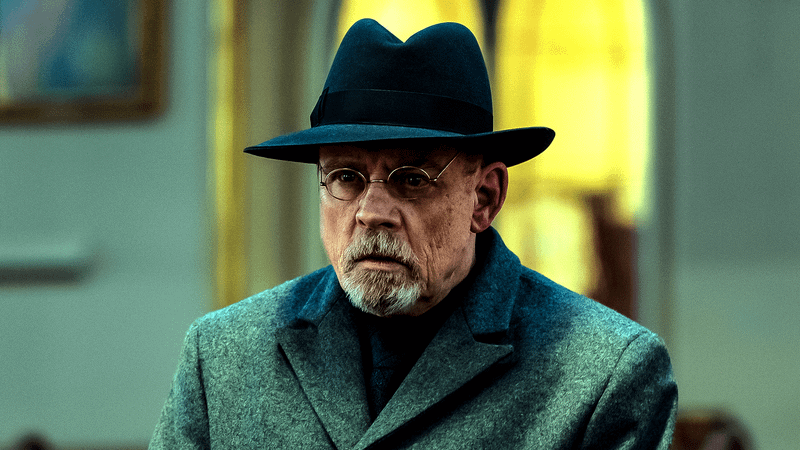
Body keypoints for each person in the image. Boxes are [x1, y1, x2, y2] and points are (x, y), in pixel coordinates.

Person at [150, 19, 678, 449]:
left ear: (485, 197)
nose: (371, 212)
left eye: (412, 179)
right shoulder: (221, 356)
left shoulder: (604, 372)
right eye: (345, 178)